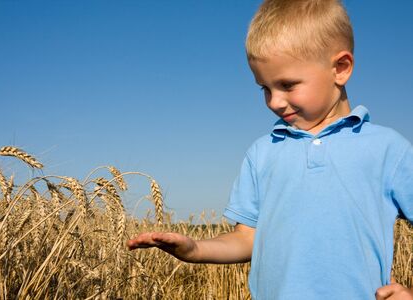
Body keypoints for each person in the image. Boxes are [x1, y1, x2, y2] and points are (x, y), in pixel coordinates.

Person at [127, 0, 413, 298]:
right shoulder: (262, 153)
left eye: (287, 85)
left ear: (340, 68)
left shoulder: (387, 150)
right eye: (265, 88)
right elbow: (246, 238)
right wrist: (195, 249)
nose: (274, 101)